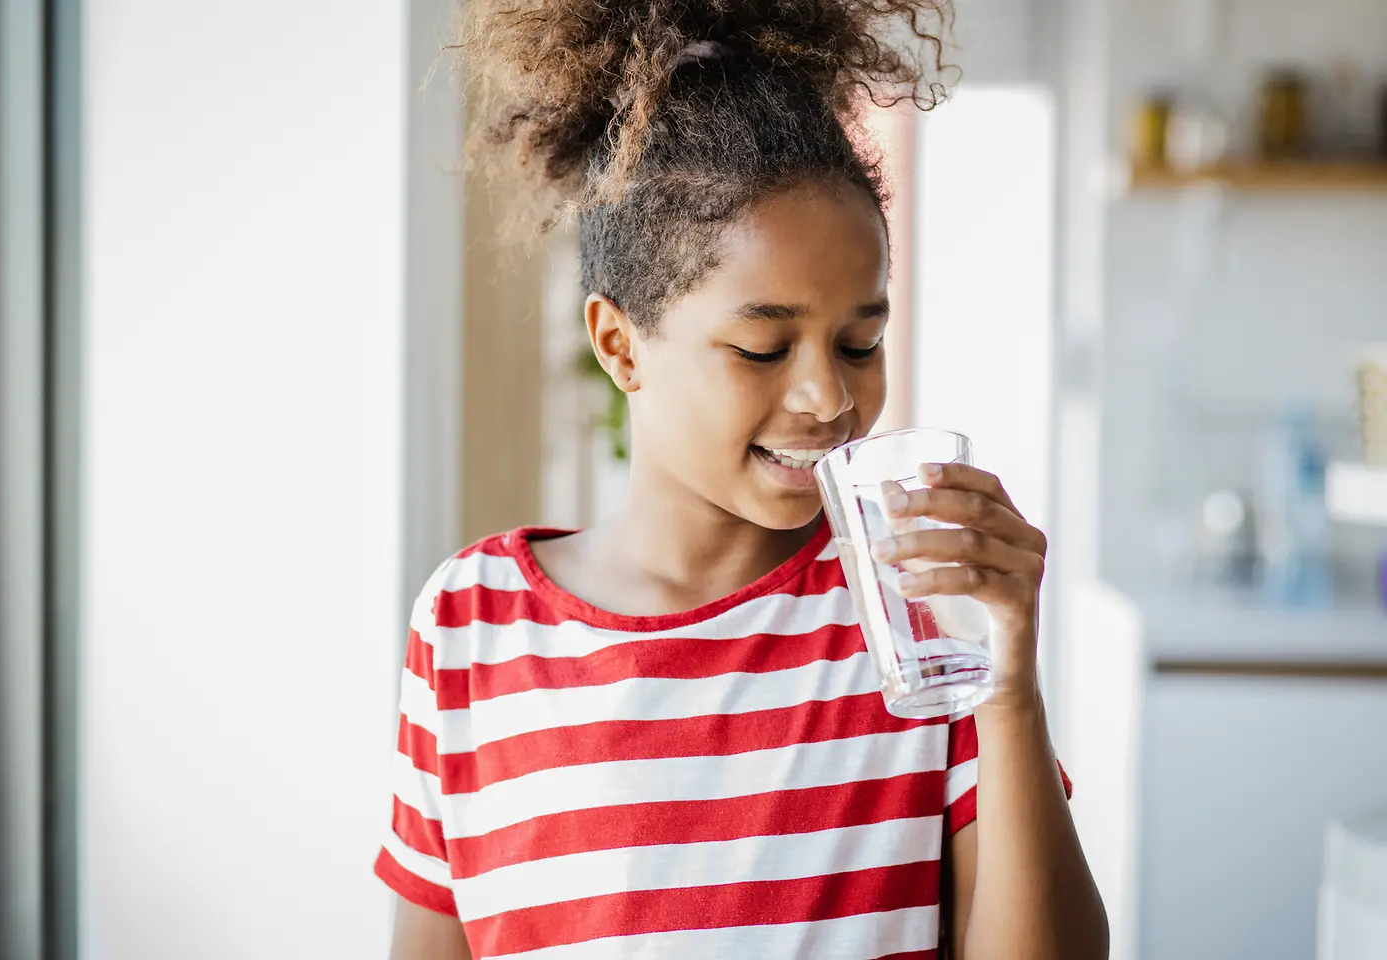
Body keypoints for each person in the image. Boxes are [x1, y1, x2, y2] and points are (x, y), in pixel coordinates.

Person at [377, 2, 1108, 957]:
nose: (827, 396)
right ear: (620, 345)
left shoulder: (912, 622)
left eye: (862, 341)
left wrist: (1009, 688)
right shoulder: (471, 625)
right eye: (762, 348)